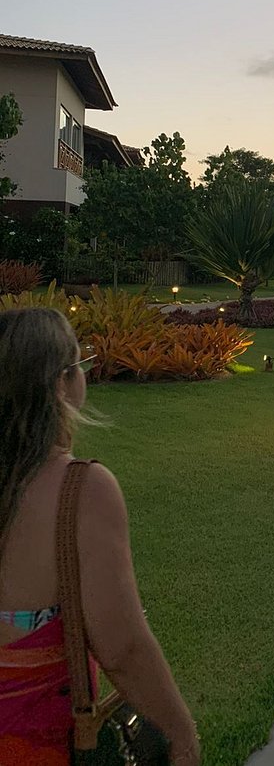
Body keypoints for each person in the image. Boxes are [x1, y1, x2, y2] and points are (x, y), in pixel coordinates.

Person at [0, 308, 200, 765]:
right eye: (79, 365)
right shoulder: (81, 491)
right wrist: (182, 735)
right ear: (61, 384)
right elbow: (122, 646)